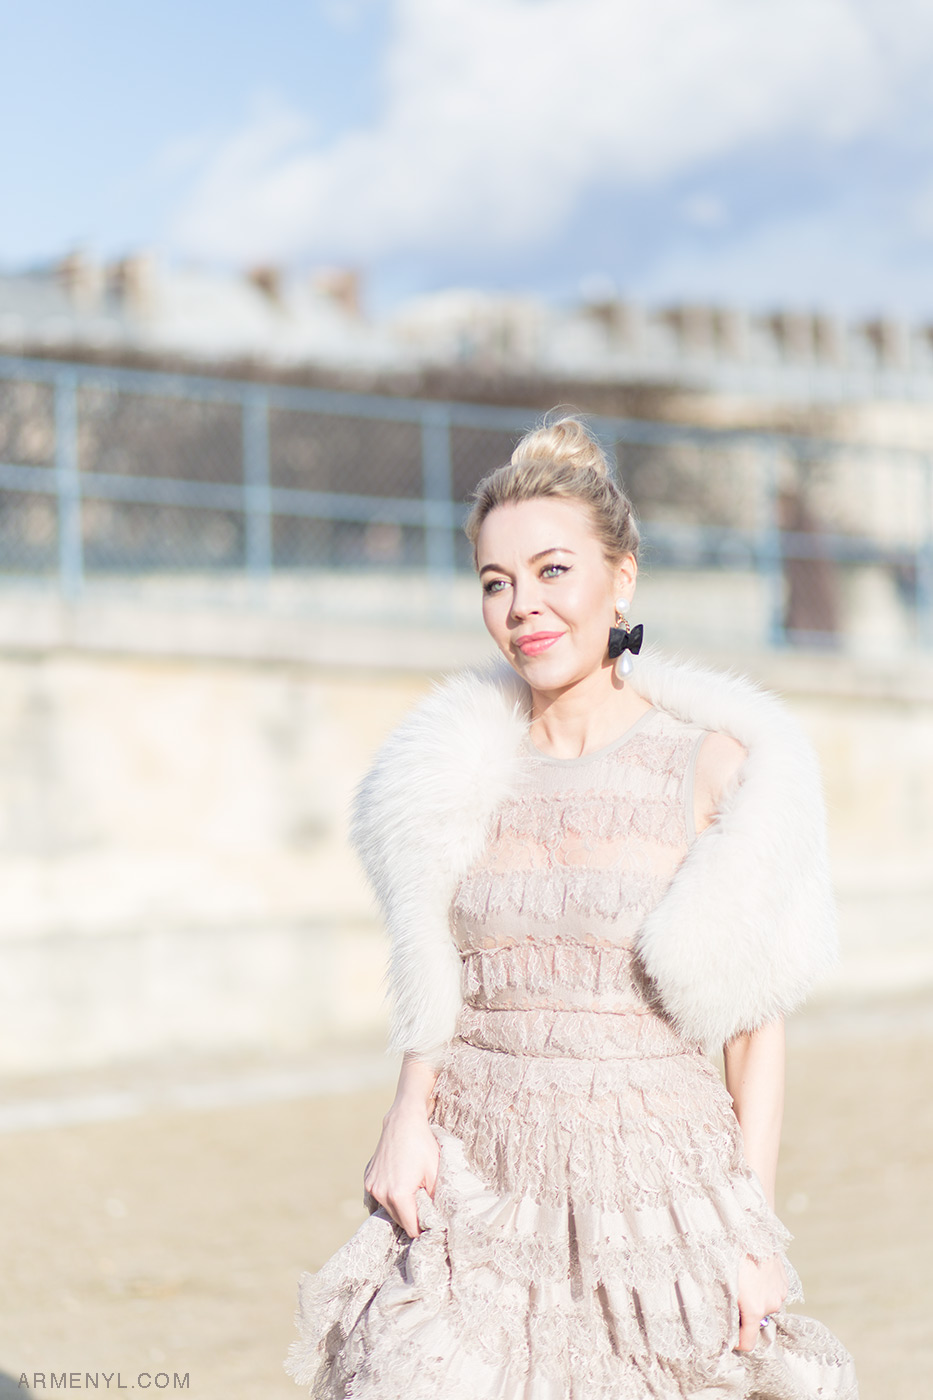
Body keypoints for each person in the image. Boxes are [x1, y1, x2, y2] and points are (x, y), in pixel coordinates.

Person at [285, 414, 859, 1399]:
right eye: (496, 582)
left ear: (620, 576)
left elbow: (753, 1033)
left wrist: (751, 1231)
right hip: (478, 1173)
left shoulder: (710, 765)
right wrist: (404, 1115)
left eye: (553, 571)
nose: (523, 608)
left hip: (651, 1192)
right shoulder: (457, 773)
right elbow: (440, 975)